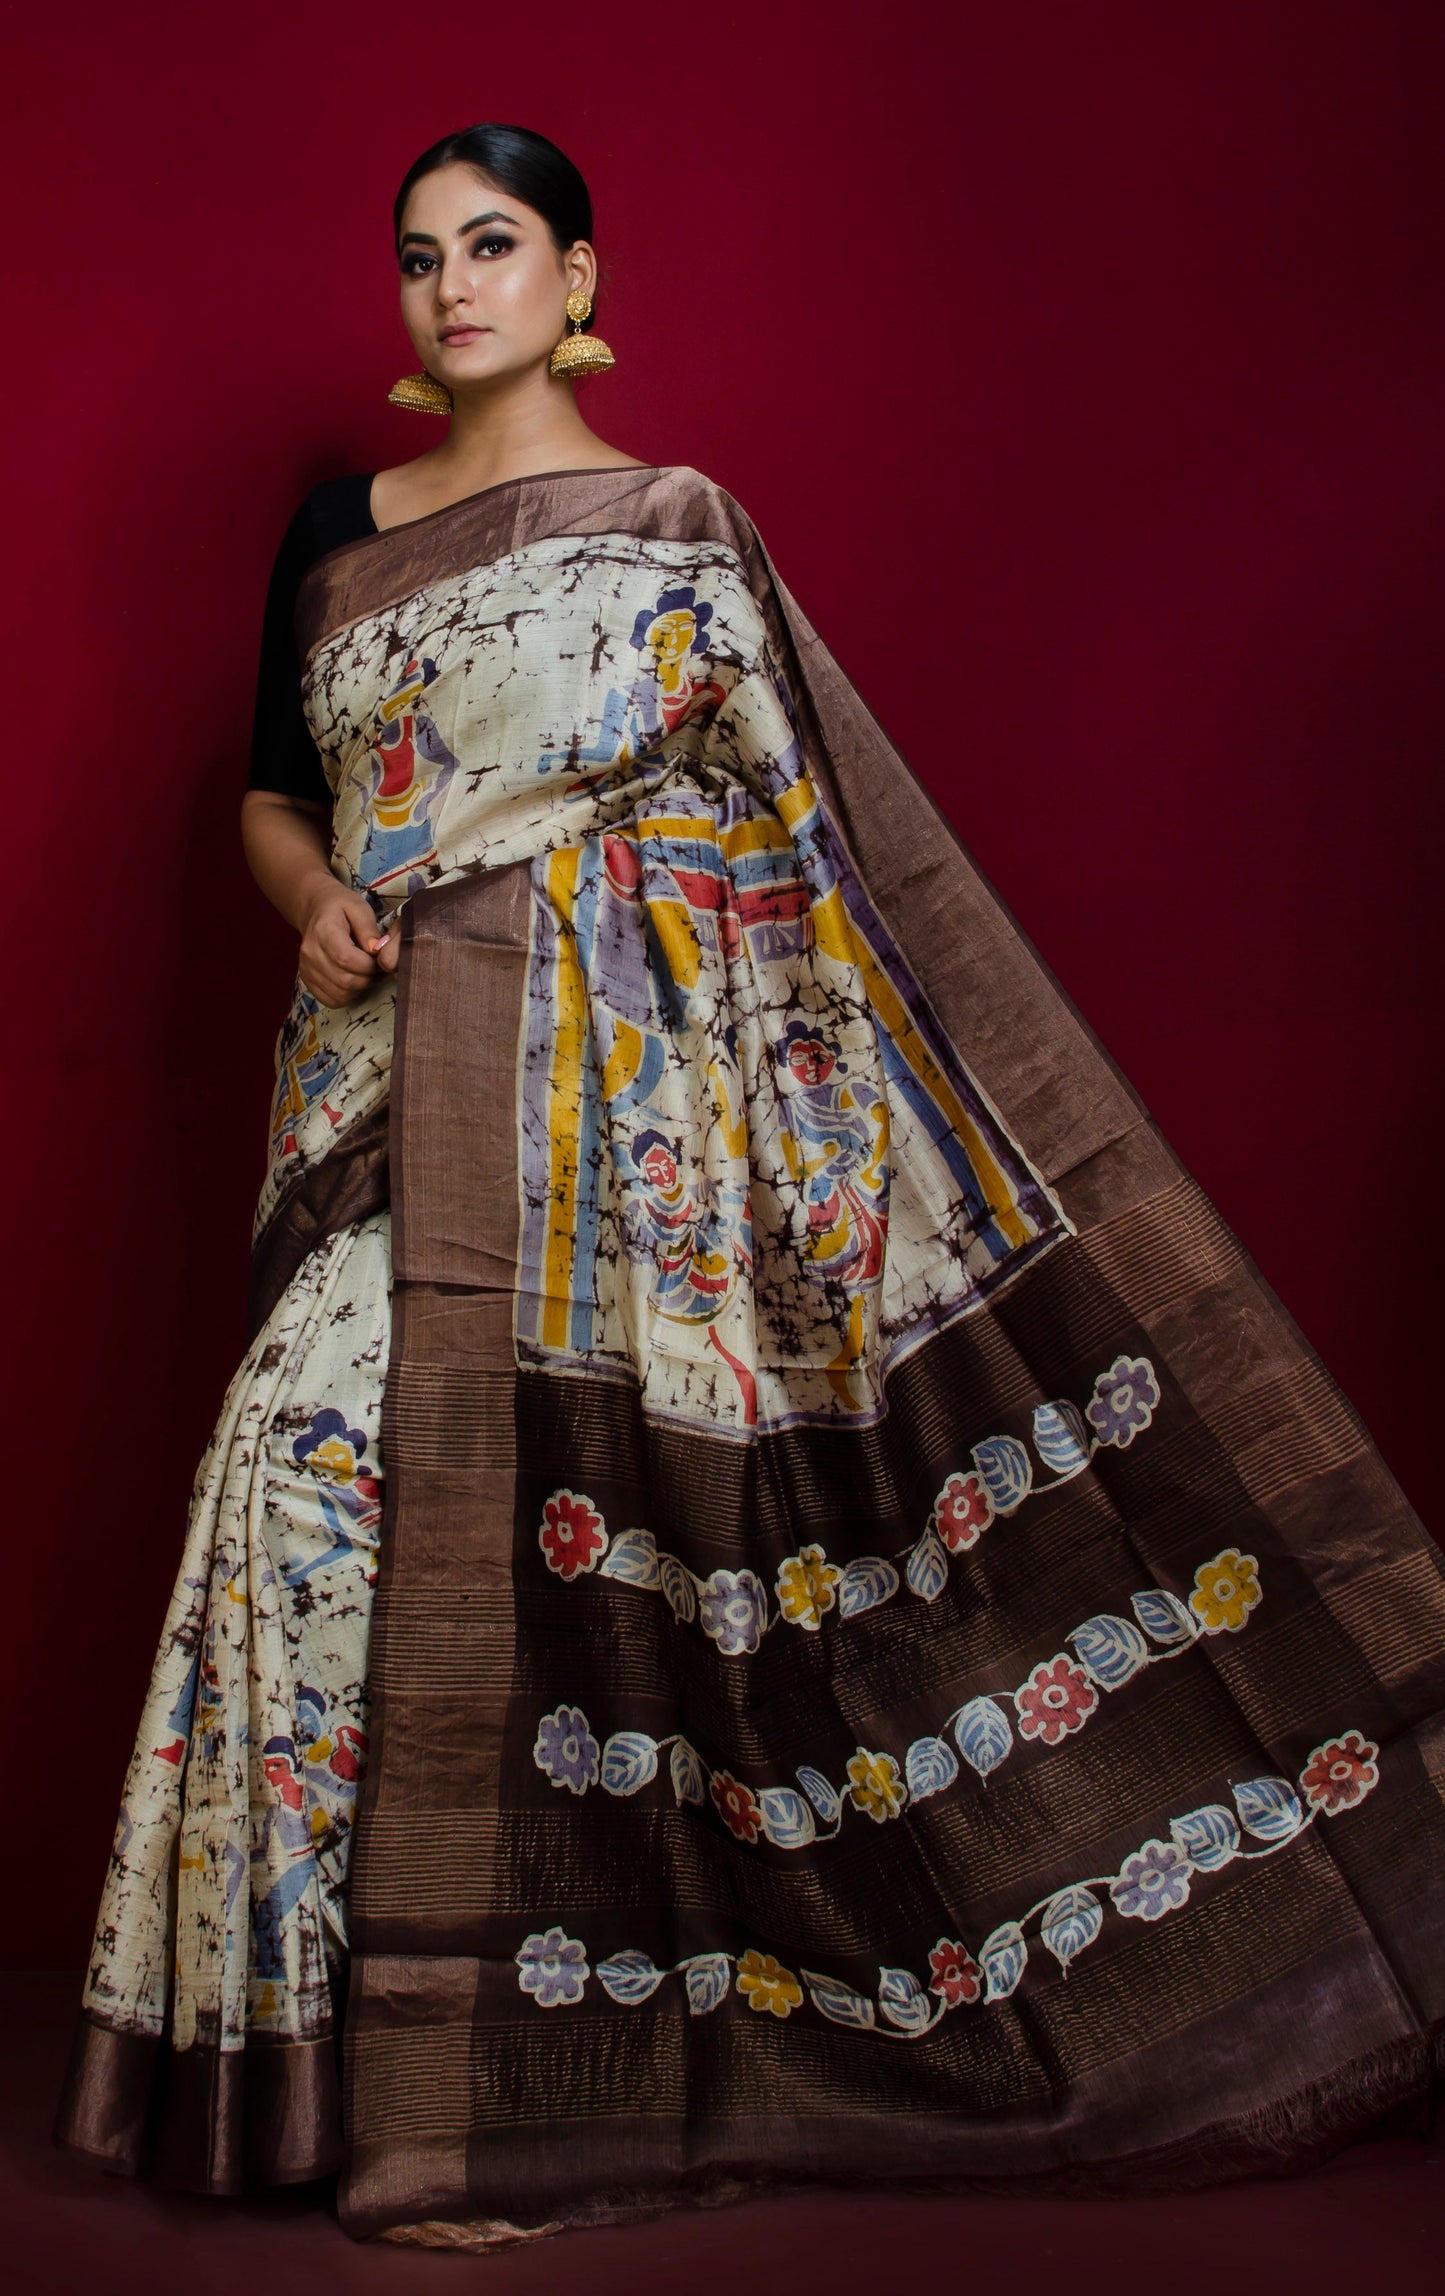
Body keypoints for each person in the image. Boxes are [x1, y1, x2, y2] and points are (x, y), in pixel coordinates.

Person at [54, 122, 1445, 2249]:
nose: (451, 286)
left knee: (553, 1562)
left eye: (492, 245)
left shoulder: (675, 533)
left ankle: (493, 2086)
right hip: (371, 1100)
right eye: (418, 255)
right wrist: (316, 889)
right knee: (300, 1490)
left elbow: (790, 858)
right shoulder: (336, 536)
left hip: (609, 1139)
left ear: (578, 276)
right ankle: (298, 2070)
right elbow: (271, 793)